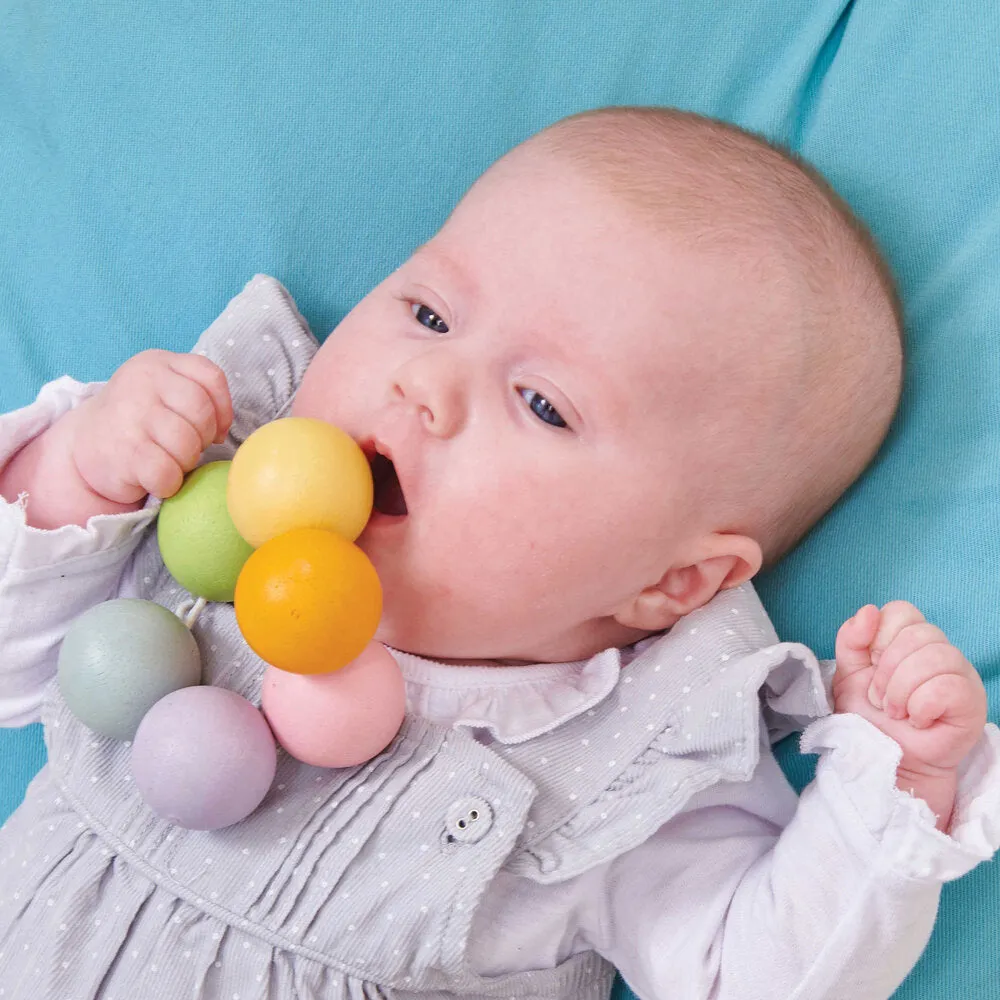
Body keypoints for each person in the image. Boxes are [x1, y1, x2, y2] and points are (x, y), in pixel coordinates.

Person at [0, 107, 996, 1000]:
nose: (427, 380)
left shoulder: (632, 762)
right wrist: (79, 472)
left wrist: (891, 791)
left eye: (542, 404)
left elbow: (759, 977)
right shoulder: (206, 497)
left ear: (672, 582)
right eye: (429, 313)